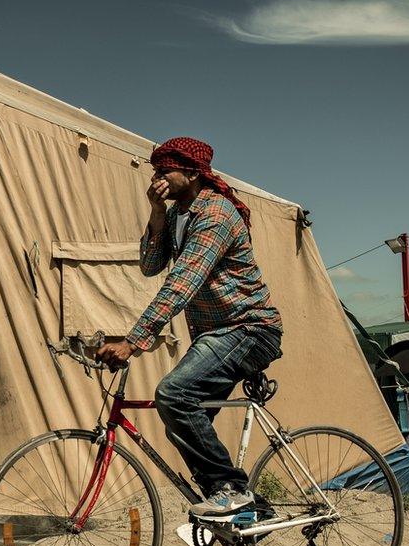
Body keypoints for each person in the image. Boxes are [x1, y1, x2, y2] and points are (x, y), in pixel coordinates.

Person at [96, 137, 283, 522]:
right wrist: (156, 211)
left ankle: (231, 492)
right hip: (217, 336)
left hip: (247, 328)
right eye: (155, 170)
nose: (158, 176)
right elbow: (150, 265)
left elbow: (182, 281)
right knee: (182, 424)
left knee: (174, 395)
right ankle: (247, 513)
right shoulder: (180, 214)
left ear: (194, 172)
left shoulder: (216, 215)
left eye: (166, 170)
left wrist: (134, 341)